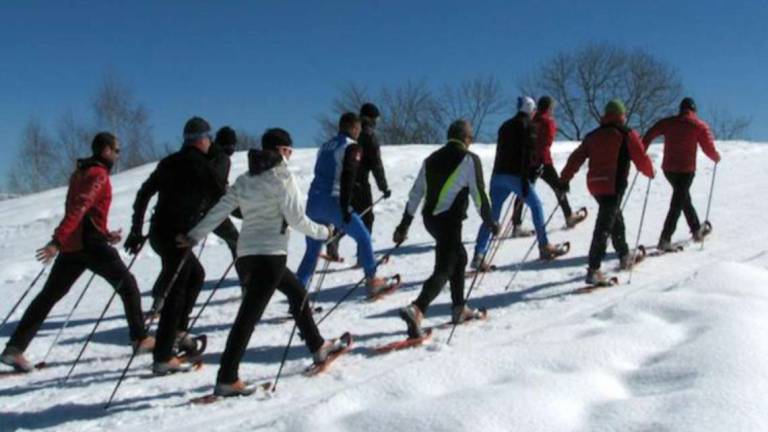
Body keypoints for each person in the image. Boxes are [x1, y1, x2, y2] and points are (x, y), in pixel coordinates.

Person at [177, 128, 348, 396]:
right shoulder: (283, 178)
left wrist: (195, 235)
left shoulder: (246, 178)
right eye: (289, 150)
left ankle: (318, 347)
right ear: (280, 150)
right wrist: (326, 233)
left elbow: (220, 209)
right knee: (248, 317)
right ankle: (226, 378)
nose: (290, 156)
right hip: (270, 257)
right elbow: (297, 220)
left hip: (247, 257)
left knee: (297, 293)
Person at [1, 133, 152, 372]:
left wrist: (104, 233)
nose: (118, 155)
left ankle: (14, 349)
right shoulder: (98, 175)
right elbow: (81, 208)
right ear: (105, 150)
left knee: (48, 297)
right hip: (88, 245)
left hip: (75, 245)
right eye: (117, 150)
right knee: (129, 285)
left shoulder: (79, 173)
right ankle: (140, 339)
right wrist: (56, 242)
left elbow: (83, 213)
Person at [125, 116, 225, 375]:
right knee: (176, 291)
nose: (210, 142)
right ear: (202, 139)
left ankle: (178, 332)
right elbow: (226, 200)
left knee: (195, 274)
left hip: (159, 233)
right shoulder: (202, 166)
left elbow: (143, 194)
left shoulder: (169, 162)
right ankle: (163, 355)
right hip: (178, 236)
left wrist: (137, 230)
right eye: (209, 138)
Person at [393, 120, 498, 339]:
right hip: (449, 219)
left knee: (459, 257)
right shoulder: (469, 159)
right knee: (447, 265)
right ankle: (417, 308)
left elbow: (416, 193)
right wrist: (489, 220)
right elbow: (478, 194)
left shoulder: (430, 159)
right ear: (466, 139)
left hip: (429, 219)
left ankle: (459, 308)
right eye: (471, 138)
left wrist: (404, 225)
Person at [295, 112, 394, 296]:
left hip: (313, 203)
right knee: (363, 236)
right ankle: (372, 280)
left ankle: (297, 295)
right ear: (354, 128)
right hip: (333, 202)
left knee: (311, 252)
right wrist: (346, 206)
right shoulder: (352, 147)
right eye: (358, 130)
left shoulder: (324, 146)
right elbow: (349, 176)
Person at [560, 100, 655, 286]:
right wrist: (649, 171)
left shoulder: (593, 135)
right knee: (604, 226)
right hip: (614, 185)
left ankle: (624, 254)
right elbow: (641, 156)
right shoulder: (626, 133)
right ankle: (594, 269)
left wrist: (564, 179)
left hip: (595, 186)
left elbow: (576, 158)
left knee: (614, 218)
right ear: (621, 115)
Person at [472, 96, 568, 272]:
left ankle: (479, 254)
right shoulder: (529, 126)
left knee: (493, 216)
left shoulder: (505, 126)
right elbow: (528, 152)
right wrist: (531, 172)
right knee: (536, 205)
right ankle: (544, 245)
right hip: (516, 175)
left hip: (498, 175)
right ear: (530, 109)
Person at [642, 97, 720, 250]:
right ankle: (665, 239)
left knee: (683, 198)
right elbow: (707, 147)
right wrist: (715, 157)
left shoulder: (669, 122)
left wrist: (642, 150)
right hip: (686, 170)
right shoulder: (698, 125)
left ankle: (696, 229)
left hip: (669, 170)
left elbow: (651, 132)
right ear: (694, 110)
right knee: (678, 202)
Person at [325, 103, 391, 264]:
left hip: (342, 183)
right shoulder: (369, 136)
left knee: (350, 215)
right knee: (366, 219)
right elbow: (376, 164)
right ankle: (363, 257)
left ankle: (335, 239)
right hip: (360, 183)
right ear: (373, 118)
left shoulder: (351, 133)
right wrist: (384, 187)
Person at [509, 96, 586, 233]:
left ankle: (516, 224)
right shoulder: (548, 122)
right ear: (549, 107)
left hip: (529, 161)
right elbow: (547, 142)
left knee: (523, 191)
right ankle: (568, 216)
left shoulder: (531, 120)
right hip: (544, 161)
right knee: (558, 187)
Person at [208, 126, 241, 260]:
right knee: (237, 243)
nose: (232, 148)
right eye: (231, 144)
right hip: (211, 210)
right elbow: (218, 190)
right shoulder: (221, 159)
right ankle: (246, 276)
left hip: (202, 209)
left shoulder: (208, 155)